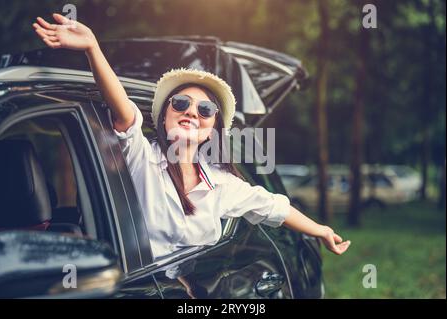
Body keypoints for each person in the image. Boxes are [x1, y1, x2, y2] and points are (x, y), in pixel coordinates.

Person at [32, 13, 351, 260]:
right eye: (181, 103)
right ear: (165, 115)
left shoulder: (222, 184)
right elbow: (126, 112)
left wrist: (322, 230)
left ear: (212, 128)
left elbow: (274, 208)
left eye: (205, 109)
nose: (191, 112)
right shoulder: (141, 156)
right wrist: (92, 49)